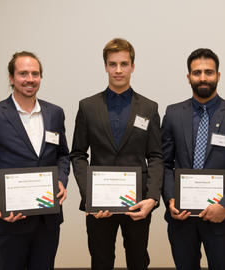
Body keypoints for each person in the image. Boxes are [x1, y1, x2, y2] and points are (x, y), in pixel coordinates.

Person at [70, 38, 163, 270]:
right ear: (105, 66)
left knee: (138, 260)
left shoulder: (149, 108)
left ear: (133, 66)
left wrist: (152, 198)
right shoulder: (87, 106)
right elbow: (78, 154)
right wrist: (89, 194)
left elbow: (156, 156)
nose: (118, 70)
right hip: (99, 204)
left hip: (138, 203)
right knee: (101, 261)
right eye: (113, 64)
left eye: (124, 64)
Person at [161, 48, 225, 270]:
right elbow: (164, 164)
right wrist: (171, 199)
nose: (203, 78)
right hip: (181, 218)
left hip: (220, 218)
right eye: (197, 73)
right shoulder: (173, 113)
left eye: (209, 72)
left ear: (218, 76)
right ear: (188, 77)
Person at [0, 51, 70, 270]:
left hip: (47, 220)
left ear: (41, 77)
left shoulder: (55, 113)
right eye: (23, 73)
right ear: (11, 78)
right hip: (11, 219)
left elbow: (62, 155)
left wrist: (61, 180)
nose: (29, 79)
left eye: (35, 73)